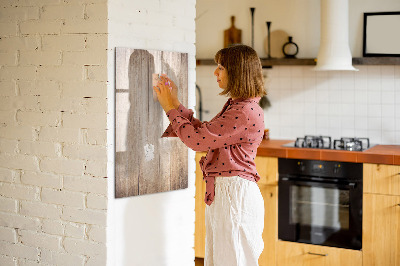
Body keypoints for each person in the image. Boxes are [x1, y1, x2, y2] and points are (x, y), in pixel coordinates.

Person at [153, 44, 266, 266]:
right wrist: (175, 103)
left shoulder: (243, 111)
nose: (215, 72)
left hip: (234, 195)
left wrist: (169, 108)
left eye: (221, 67)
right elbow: (205, 134)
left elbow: (197, 141)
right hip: (228, 193)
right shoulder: (239, 106)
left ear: (237, 72)